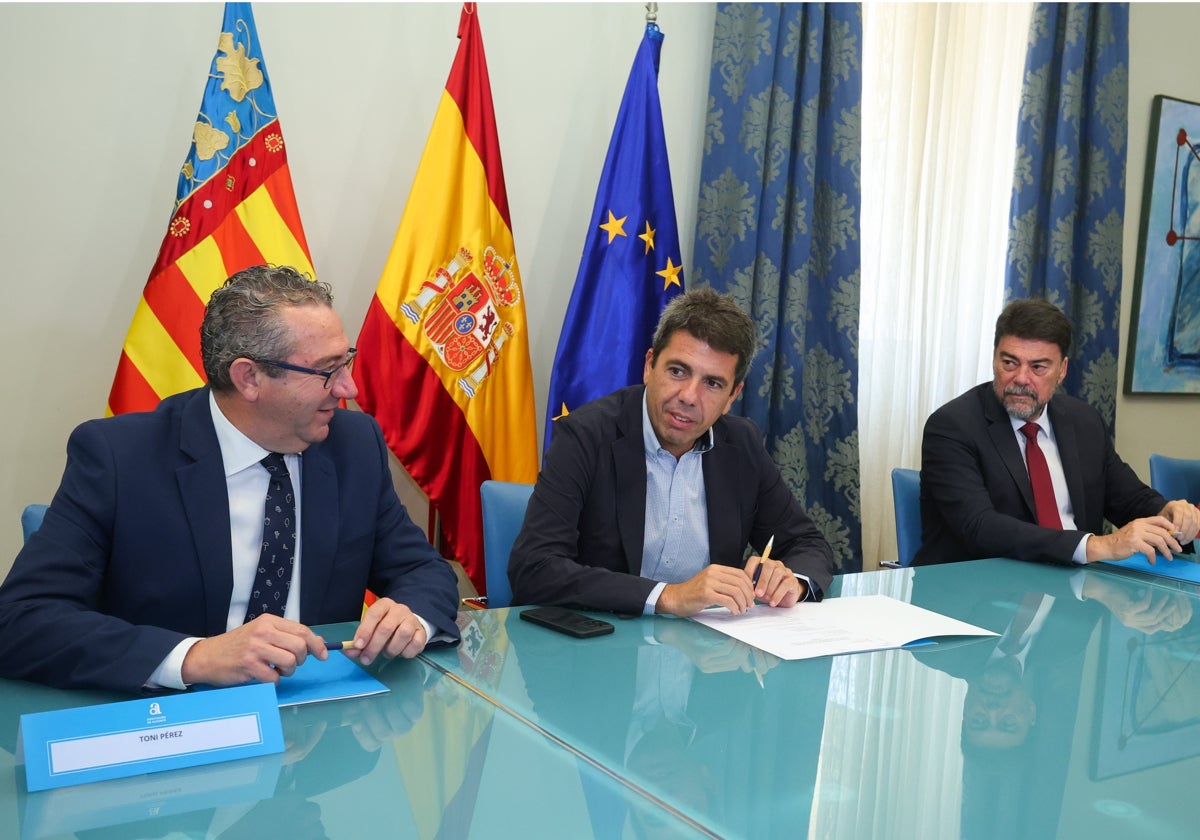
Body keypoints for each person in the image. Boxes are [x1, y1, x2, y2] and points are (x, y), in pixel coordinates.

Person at [0, 265, 460, 693]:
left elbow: (421, 570)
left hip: (320, 721)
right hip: (171, 732)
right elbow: (21, 621)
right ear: (249, 378)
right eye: (327, 371)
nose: (348, 389)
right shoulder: (120, 458)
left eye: (347, 362)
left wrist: (411, 617)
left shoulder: (353, 444)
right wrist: (194, 657)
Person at [508, 287, 835, 616]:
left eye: (713, 384)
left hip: (708, 655)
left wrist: (793, 580)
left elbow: (806, 543)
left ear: (732, 395)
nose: (689, 396)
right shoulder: (586, 436)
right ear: (650, 366)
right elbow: (535, 568)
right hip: (603, 646)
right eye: (678, 371)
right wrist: (667, 596)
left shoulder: (741, 443)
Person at [915, 298, 1200, 566]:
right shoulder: (953, 426)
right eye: (1009, 363)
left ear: (1062, 370)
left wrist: (1167, 513)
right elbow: (979, 527)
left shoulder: (1083, 421)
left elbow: (1127, 498)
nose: (1021, 379)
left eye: (1038, 367)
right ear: (994, 359)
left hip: (1075, 589)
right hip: (975, 592)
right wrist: (1099, 546)